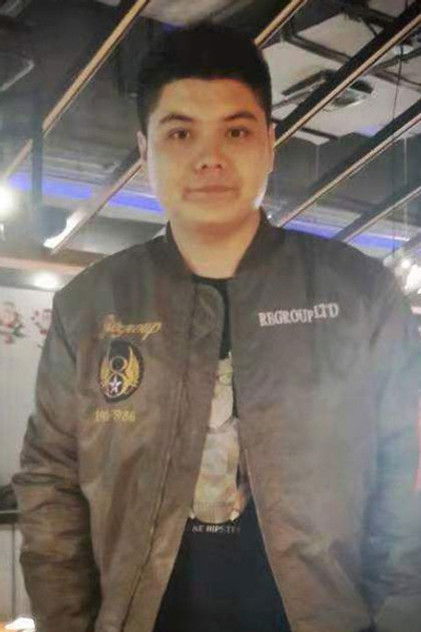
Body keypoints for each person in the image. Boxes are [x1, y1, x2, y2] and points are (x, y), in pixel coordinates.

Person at [13, 23, 421, 632]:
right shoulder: (90, 305)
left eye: (236, 130)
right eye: (180, 133)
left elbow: (408, 479)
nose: (210, 157)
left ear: (270, 144)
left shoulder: (359, 293)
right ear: (145, 151)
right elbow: (51, 482)